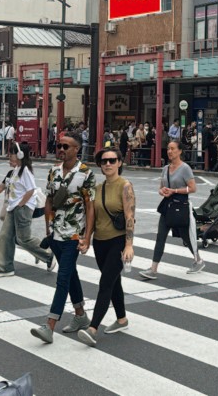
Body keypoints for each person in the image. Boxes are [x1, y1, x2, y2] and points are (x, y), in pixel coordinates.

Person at [31, 132, 96, 344]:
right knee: (71, 275)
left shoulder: (86, 173)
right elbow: (49, 199)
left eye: (66, 146)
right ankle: (80, 316)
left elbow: (90, 207)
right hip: (56, 233)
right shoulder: (54, 171)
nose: (61, 149)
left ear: (77, 149)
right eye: (59, 145)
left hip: (74, 235)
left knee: (62, 278)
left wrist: (87, 237)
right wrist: (48, 228)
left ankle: (49, 326)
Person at [77, 148, 136, 347]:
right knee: (113, 282)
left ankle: (93, 328)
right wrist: (87, 239)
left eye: (112, 160)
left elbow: (129, 217)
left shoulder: (125, 186)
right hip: (100, 243)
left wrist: (129, 245)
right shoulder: (98, 188)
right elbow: (92, 218)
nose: (108, 164)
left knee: (105, 283)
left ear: (120, 162)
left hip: (118, 241)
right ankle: (122, 319)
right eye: (104, 161)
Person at [0, 141, 53, 277]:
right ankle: (5, 267)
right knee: (6, 237)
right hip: (13, 208)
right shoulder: (14, 171)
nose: (9, 156)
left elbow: (31, 189)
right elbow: (0, 188)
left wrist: (21, 204)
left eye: (12, 154)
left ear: (20, 155)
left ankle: (49, 256)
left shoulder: (25, 171)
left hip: (22, 209)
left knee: (23, 239)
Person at [139, 141, 205, 279]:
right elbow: (161, 187)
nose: (170, 151)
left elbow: (193, 188)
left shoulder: (185, 168)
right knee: (160, 237)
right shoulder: (165, 169)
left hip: (181, 207)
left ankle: (198, 260)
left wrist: (174, 190)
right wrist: (162, 191)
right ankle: (153, 269)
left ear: (180, 151)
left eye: (173, 149)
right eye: (168, 148)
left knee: (186, 236)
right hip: (167, 207)